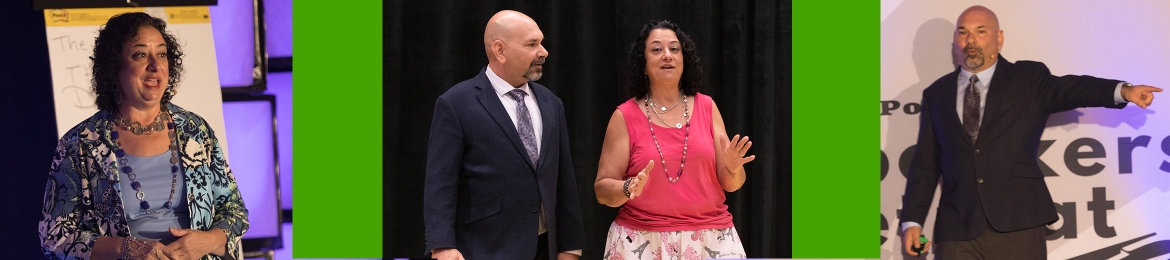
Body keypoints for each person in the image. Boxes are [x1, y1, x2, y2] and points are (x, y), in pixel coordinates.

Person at [900, 5, 1162, 259]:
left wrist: (1122, 90)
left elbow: (1071, 88)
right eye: (963, 32)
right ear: (956, 41)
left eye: (981, 31)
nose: (971, 40)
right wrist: (912, 220)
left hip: (1019, 222)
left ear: (999, 38)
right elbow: (925, 164)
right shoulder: (936, 93)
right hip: (957, 228)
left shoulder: (1027, 77)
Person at [38, 12, 249, 260]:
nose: (155, 65)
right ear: (114, 68)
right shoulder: (81, 143)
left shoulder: (196, 130)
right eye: (140, 55)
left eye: (161, 54)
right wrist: (124, 248)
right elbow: (55, 235)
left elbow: (234, 211)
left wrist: (208, 241)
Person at [423, 10, 586, 260]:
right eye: (532, 44)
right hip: (484, 248)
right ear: (500, 50)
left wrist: (570, 247)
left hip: (545, 249)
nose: (544, 51)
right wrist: (442, 246)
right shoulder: (456, 103)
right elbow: (440, 184)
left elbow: (563, 181)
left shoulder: (552, 104)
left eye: (541, 42)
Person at [594, 20, 754, 259]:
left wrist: (732, 168)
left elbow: (732, 183)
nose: (667, 55)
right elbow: (602, 190)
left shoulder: (707, 107)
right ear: (643, 64)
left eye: (674, 49)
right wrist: (628, 188)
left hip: (711, 238)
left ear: (683, 59)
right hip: (641, 239)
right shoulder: (624, 116)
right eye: (656, 49)